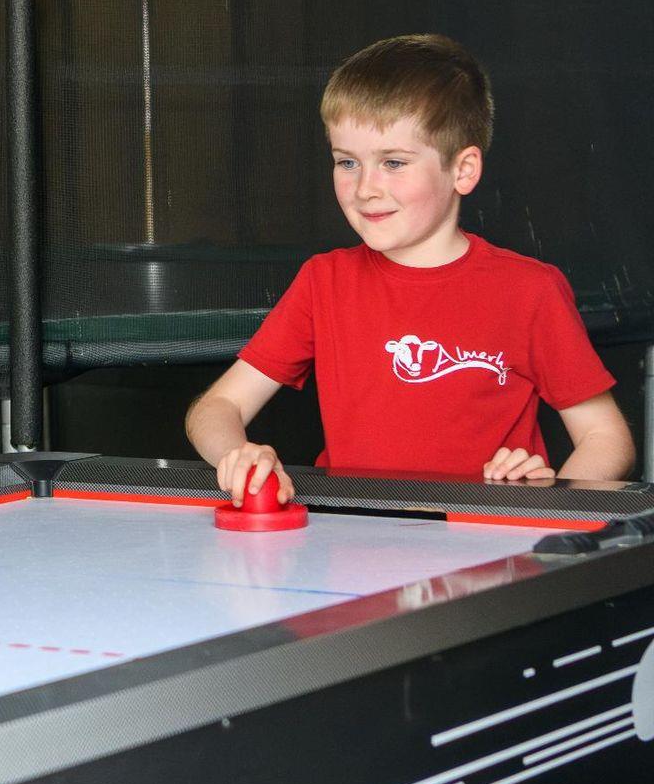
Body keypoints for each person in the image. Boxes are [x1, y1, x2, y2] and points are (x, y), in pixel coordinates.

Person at [186, 33, 634, 501]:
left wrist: (544, 503)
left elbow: (606, 437)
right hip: (349, 535)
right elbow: (216, 407)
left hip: (481, 539)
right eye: (347, 162)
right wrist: (237, 456)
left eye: (394, 163)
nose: (366, 188)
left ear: (463, 170)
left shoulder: (529, 290)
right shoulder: (324, 281)